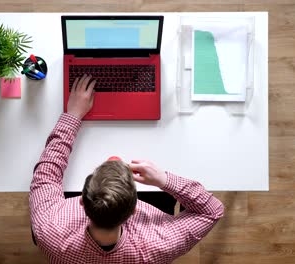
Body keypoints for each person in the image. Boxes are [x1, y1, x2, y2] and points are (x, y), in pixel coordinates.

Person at [29, 74, 224, 263]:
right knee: (167, 198)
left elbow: (46, 173)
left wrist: (73, 115)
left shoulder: (50, 233)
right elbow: (212, 211)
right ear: (134, 210)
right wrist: (163, 179)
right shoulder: (157, 245)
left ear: (81, 201)